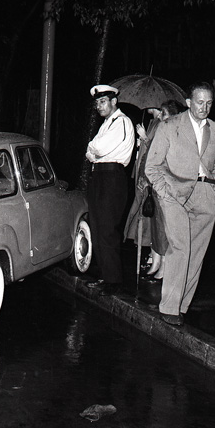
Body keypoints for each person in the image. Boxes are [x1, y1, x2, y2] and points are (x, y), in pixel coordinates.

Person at [144, 82, 215, 326]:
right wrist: (165, 193)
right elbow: (152, 166)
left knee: (196, 254)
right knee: (180, 248)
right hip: (174, 194)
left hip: (205, 194)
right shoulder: (169, 126)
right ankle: (169, 307)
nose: (204, 108)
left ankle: (181, 306)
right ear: (189, 103)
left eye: (209, 103)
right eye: (199, 102)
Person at [124, 99, 186, 281]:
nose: (160, 117)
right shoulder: (163, 129)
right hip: (156, 185)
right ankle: (157, 263)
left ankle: (165, 267)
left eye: (164, 114)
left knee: (165, 229)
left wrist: (146, 140)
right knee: (156, 227)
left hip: (167, 187)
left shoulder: (176, 134)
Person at [85, 84, 135, 295]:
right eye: (97, 102)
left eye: (103, 101)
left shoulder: (122, 122)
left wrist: (94, 149)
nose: (99, 106)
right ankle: (106, 276)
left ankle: (114, 281)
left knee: (107, 229)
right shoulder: (107, 124)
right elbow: (89, 152)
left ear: (114, 101)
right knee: (97, 228)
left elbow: (97, 148)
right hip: (100, 176)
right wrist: (93, 150)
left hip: (112, 178)